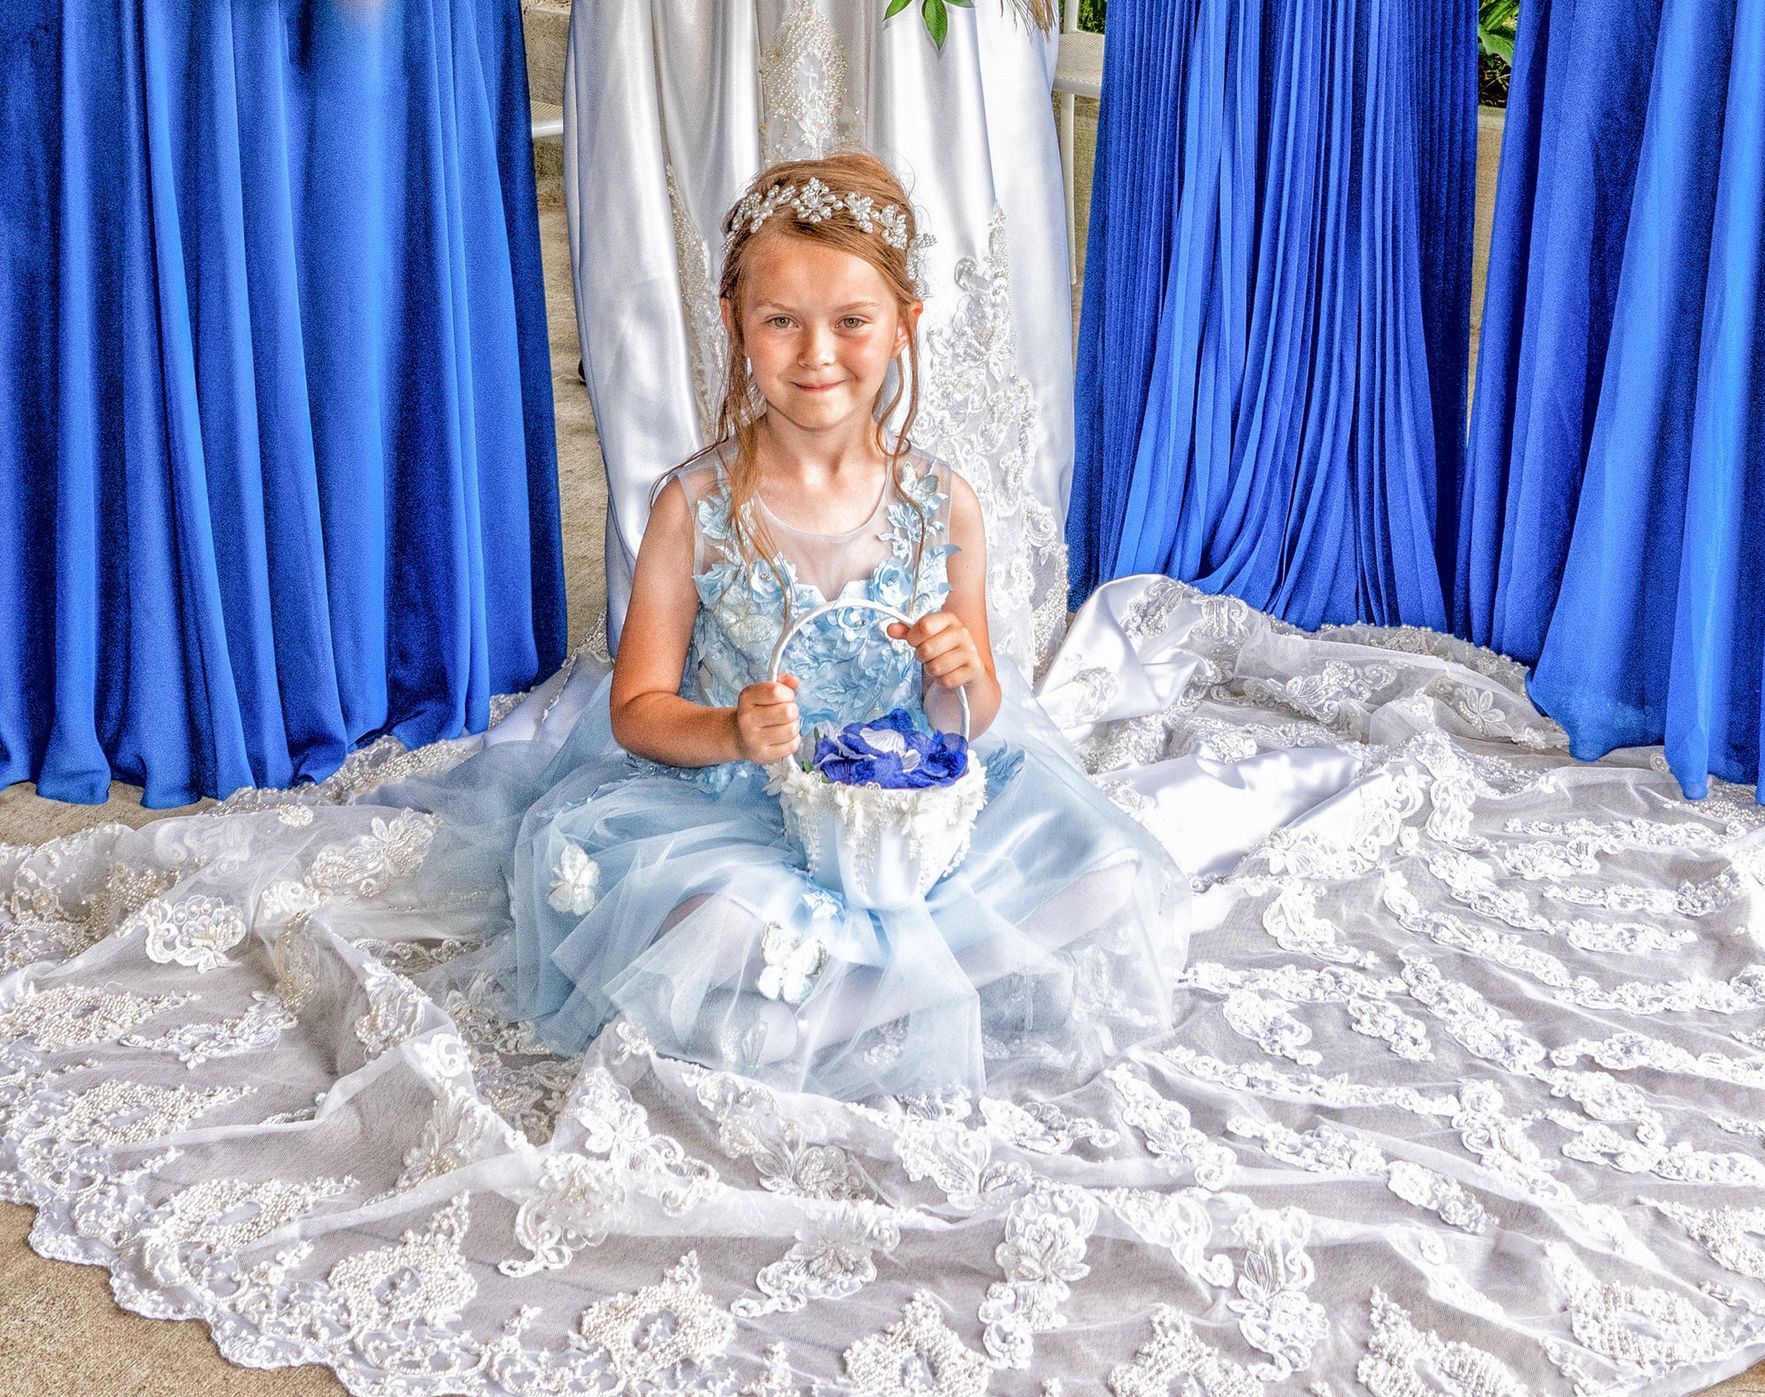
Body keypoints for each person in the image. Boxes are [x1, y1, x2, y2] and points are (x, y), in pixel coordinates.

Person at [405, 154, 1189, 1101]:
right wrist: (731, 730)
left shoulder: (944, 506)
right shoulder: (693, 507)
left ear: (904, 326)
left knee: (1105, 875)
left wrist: (956, 675)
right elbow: (639, 711)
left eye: (852, 321)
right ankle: (906, 976)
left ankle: (859, 998)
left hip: (907, 799)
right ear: (738, 326)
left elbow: (971, 716)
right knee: (714, 926)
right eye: (782, 321)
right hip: (742, 805)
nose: (817, 354)